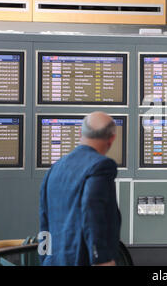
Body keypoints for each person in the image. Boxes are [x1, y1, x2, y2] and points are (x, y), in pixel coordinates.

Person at [39, 111, 121, 265]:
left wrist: (44, 259)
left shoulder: (54, 169)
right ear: (111, 139)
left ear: (80, 133)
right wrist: (101, 259)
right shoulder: (101, 166)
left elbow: (44, 221)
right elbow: (92, 210)